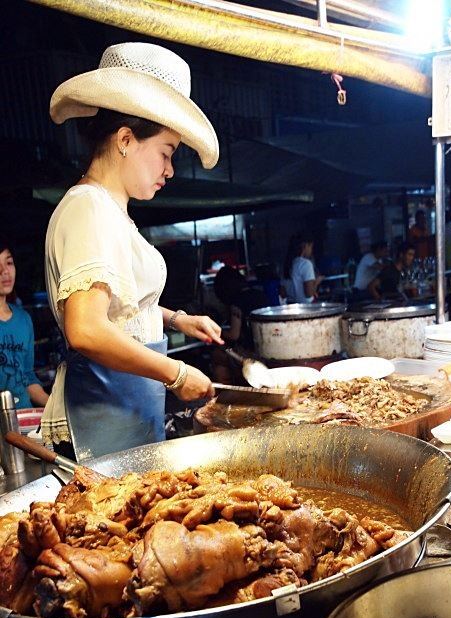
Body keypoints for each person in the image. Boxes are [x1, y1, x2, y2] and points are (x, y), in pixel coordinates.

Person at [41, 42, 224, 460]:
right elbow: (85, 327)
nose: (170, 170)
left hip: (127, 415)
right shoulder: (88, 208)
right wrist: (175, 373)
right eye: (166, 152)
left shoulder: (109, 211)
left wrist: (178, 318)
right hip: (102, 423)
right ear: (126, 139)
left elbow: (116, 308)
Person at [0, 240, 49, 408]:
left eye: (9, 262)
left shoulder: (23, 319)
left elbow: (27, 376)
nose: (4, 271)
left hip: (24, 420)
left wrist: (54, 408)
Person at [212, 266, 267, 383]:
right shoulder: (260, 294)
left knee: (216, 356)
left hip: (251, 354)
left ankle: (229, 392)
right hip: (267, 350)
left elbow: (234, 335)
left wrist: (216, 331)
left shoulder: (237, 302)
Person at [282, 233, 322, 303]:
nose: (311, 251)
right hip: (306, 308)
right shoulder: (306, 264)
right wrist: (316, 282)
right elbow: (309, 294)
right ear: (305, 246)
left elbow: (283, 293)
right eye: (311, 247)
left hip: (291, 306)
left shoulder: (289, 263)